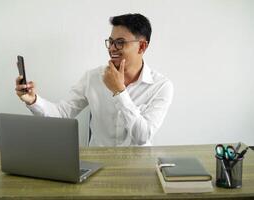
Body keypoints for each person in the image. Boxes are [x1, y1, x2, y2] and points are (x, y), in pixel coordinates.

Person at [15, 13, 173, 146]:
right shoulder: (93, 78)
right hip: (98, 164)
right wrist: (33, 100)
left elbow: (142, 136)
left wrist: (120, 92)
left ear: (142, 47)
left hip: (138, 167)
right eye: (111, 42)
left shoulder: (161, 86)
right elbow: (62, 114)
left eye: (120, 43)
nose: (112, 48)